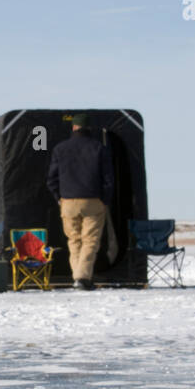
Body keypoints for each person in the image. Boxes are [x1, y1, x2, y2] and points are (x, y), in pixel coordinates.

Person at [46, 113, 114, 290]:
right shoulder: (99, 148)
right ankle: (82, 277)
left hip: (68, 202)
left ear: (73, 127)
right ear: (88, 128)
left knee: (74, 240)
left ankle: (78, 277)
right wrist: (104, 199)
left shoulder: (60, 149)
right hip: (92, 201)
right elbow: (108, 179)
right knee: (90, 241)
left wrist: (59, 198)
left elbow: (51, 179)